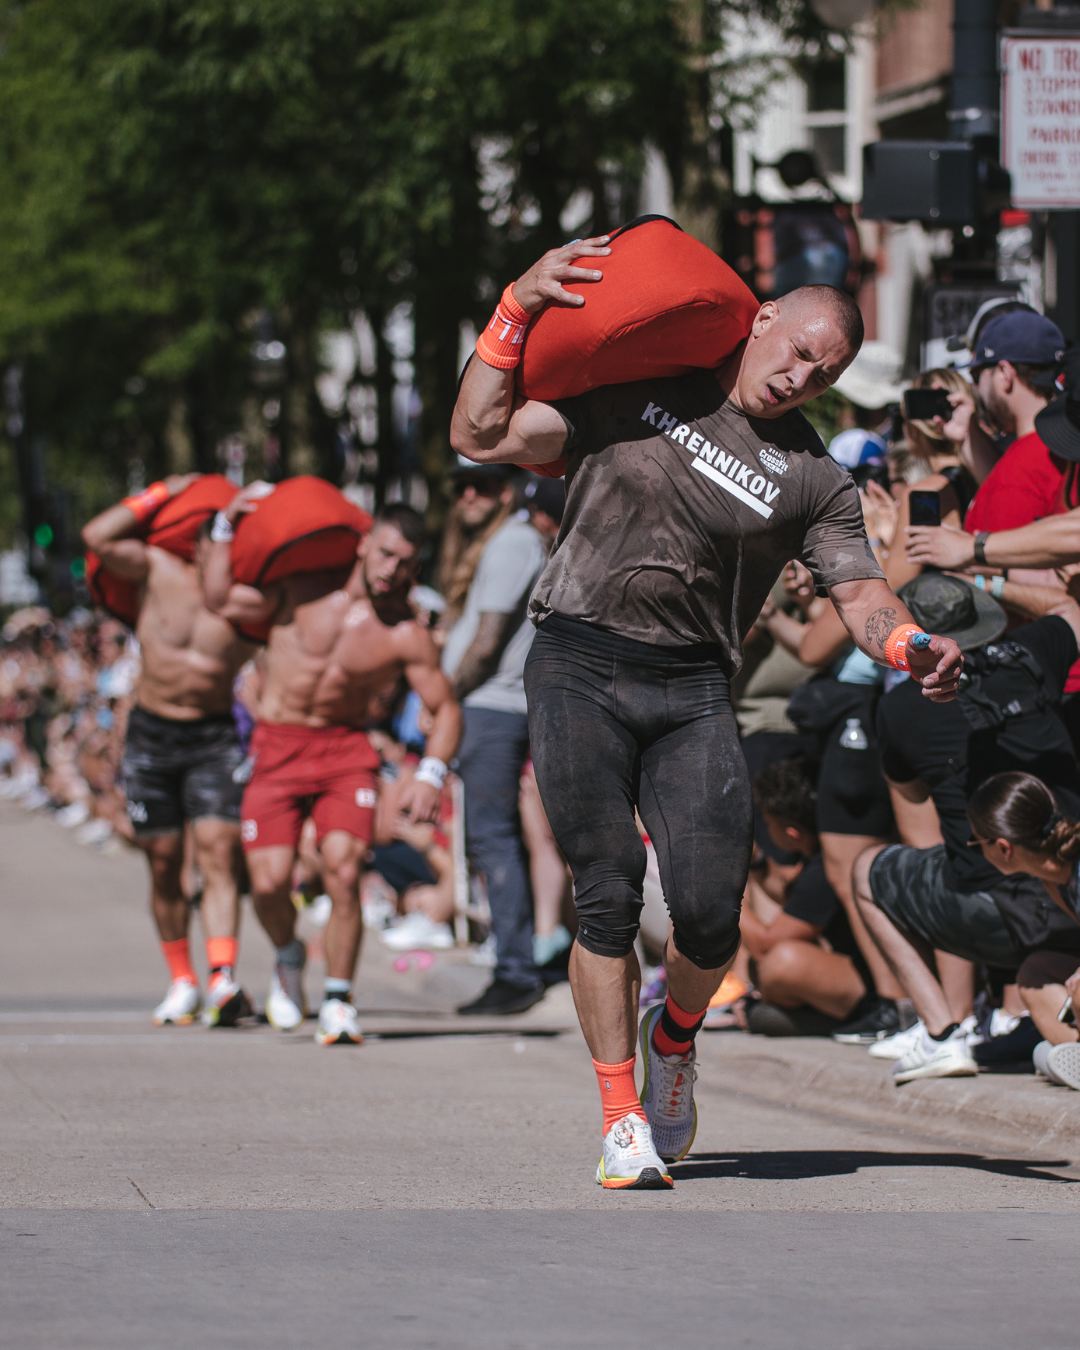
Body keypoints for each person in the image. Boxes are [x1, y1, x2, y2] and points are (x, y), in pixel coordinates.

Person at [450, 235, 964, 1190]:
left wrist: (909, 647)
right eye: (798, 348)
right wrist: (516, 304)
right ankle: (620, 1118)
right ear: (761, 316)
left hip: (692, 687)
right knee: (604, 893)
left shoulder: (814, 478)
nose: (801, 375)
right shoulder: (639, 389)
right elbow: (479, 435)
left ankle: (674, 1038)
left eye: (827, 371)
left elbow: (861, 595)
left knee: (709, 917)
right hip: (579, 659)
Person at [203, 495, 461, 1045]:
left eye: (407, 564)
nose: (394, 571)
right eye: (387, 554)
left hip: (344, 751)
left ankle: (339, 998)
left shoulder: (403, 632)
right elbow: (221, 597)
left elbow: (446, 708)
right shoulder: (301, 588)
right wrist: (226, 526)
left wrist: (430, 773)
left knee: (344, 870)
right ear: (365, 543)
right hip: (276, 747)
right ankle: (288, 952)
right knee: (270, 884)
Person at [853, 572, 1080, 1083]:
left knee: (868, 868)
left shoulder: (899, 706)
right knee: (1036, 977)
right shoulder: (1029, 653)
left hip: (996, 912)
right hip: (1064, 873)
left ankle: (942, 1031)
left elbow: (916, 813)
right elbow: (1069, 609)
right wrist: (985, 575)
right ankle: (1020, 1022)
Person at [81, 475, 254, 1028]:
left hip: (213, 734)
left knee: (218, 853)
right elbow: (97, 536)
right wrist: (163, 490)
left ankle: (222, 975)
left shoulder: (243, 599)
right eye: (213, 537)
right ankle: (181, 979)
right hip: (153, 734)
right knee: (163, 863)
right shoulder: (158, 567)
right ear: (196, 541)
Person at [438, 461, 548, 1014]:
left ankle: (515, 970)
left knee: (492, 837)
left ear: (506, 492)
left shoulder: (511, 542)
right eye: (460, 488)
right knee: (495, 836)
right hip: (490, 706)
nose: (467, 497)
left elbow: (486, 641)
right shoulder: (508, 541)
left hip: (491, 707)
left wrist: (444, 698)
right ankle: (516, 961)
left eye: (480, 487)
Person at [742, 756, 873, 1035]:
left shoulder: (825, 869)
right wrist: (755, 861)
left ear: (792, 832)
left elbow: (766, 946)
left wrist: (726, 900)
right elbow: (789, 891)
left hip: (867, 987)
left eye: (768, 823)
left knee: (781, 962)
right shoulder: (821, 856)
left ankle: (847, 1019)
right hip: (853, 970)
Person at [967, 770, 1080, 1090]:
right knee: (1035, 974)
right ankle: (1070, 1055)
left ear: (1003, 847)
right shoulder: (1055, 879)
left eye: (977, 842)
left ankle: (1060, 1057)